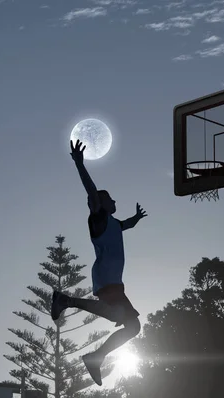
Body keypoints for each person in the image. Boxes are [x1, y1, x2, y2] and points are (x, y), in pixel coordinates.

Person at [51, 139, 147, 386]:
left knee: (129, 323)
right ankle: (94, 353)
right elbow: (91, 191)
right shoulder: (99, 219)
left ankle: (68, 304)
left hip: (112, 281)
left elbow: (127, 225)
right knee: (131, 324)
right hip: (106, 277)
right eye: (110, 199)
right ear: (101, 204)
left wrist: (135, 218)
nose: (115, 201)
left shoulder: (115, 224)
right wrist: (80, 164)